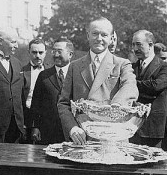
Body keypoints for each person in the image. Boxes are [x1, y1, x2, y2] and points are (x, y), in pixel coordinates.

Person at [57, 17, 139, 145]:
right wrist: (72, 128)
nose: (99, 38)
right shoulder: (75, 66)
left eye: (104, 35)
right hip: (82, 139)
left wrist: (113, 109)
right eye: (95, 33)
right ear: (88, 35)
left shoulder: (122, 64)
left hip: (113, 139)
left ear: (111, 38)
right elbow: (63, 103)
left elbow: (130, 87)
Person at [130, 30, 167, 147]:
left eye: (138, 44)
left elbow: (156, 87)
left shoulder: (165, 66)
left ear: (150, 45)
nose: (135, 48)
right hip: (134, 127)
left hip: (154, 128)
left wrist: (132, 83)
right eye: (133, 44)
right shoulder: (131, 67)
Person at [29, 38, 73, 145]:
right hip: (48, 132)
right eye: (54, 51)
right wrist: (35, 127)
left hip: (72, 132)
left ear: (70, 54)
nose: (56, 55)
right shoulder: (44, 75)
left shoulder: (77, 74)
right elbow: (36, 104)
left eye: (59, 51)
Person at [22, 38, 47, 141]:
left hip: (45, 117)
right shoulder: (21, 71)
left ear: (45, 53)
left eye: (41, 52)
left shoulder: (52, 71)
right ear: (29, 52)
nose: (37, 56)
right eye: (34, 52)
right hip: (26, 117)